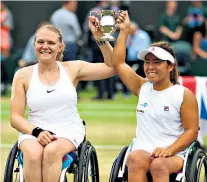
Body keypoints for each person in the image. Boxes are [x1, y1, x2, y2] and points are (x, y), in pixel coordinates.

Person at [9, 13, 123, 181]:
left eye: (51, 43)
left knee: (51, 151)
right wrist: (37, 132)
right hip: (35, 130)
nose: (45, 46)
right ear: (34, 45)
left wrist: (99, 37)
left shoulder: (72, 69)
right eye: (40, 42)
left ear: (60, 47)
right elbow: (15, 117)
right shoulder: (22, 75)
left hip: (68, 129)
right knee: (33, 154)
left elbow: (113, 67)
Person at [113, 11, 199, 181]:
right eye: (147, 62)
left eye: (157, 62)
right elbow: (119, 63)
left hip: (173, 154)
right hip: (143, 150)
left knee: (159, 164)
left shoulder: (183, 94)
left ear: (170, 67)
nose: (150, 67)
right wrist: (124, 31)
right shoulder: (141, 87)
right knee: (134, 160)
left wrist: (169, 150)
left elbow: (191, 131)